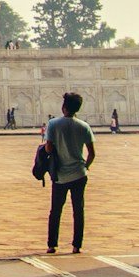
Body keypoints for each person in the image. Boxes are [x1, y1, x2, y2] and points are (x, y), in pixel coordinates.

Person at [44, 92, 97, 255]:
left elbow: (48, 147)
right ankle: (76, 246)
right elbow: (92, 153)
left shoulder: (53, 124)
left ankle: (52, 245)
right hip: (79, 175)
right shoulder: (84, 126)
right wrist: (85, 167)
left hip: (60, 175)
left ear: (63, 107)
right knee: (78, 210)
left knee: (56, 211)